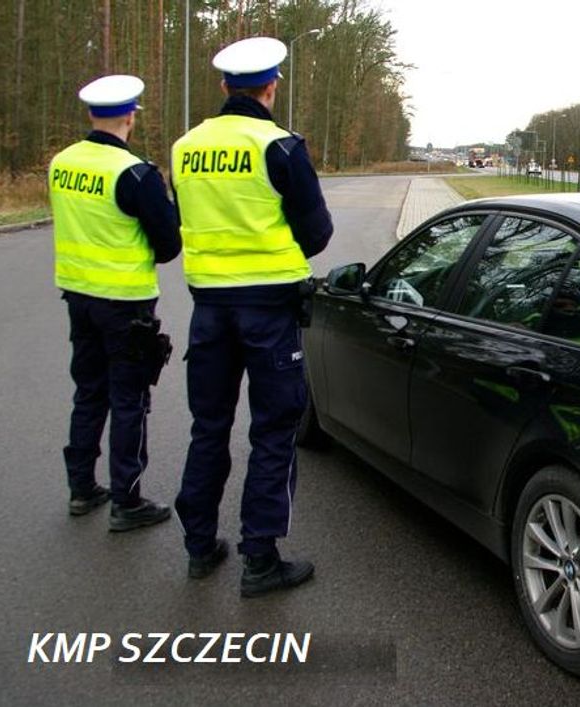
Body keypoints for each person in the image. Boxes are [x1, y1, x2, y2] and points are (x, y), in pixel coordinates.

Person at [171, 37, 333, 596]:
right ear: (272, 85)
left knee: (208, 427)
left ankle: (198, 547)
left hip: (209, 311)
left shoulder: (184, 147)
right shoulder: (280, 147)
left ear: (223, 86)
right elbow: (317, 233)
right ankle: (259, 560)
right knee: (273, 430)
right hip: (268, 312)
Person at [50, 74, 181, 531]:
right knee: (129, 399)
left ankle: (81, 488)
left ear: (90, 114)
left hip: (78, 297)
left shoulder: (61, 163)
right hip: (125, 303)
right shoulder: (135, 174)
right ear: (130, 115)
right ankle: (128, 500)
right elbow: (167, 246)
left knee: (89, 392)